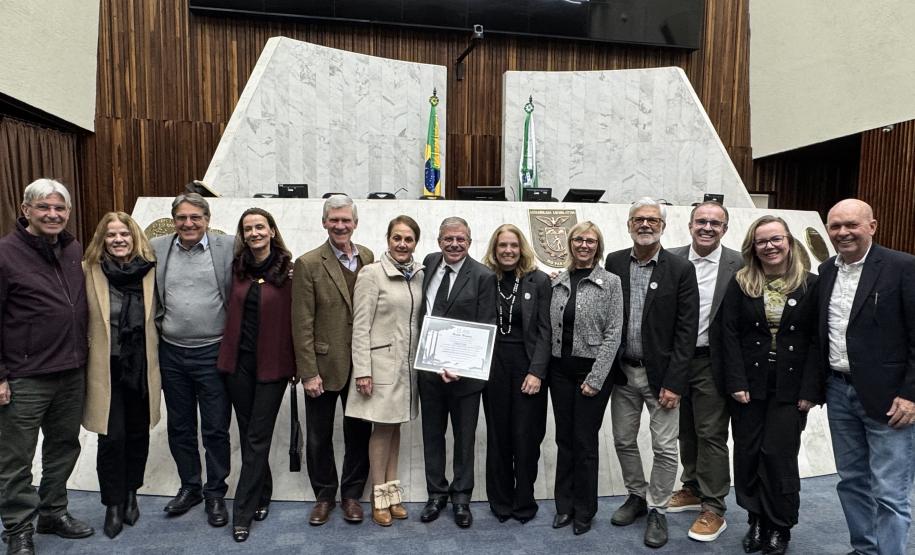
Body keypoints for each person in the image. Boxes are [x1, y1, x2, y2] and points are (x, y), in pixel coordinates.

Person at [0, 179, 94, 555]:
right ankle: (18, 528)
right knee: (15, 458)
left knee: (63, 447)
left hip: (71, 371)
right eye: (44, 207)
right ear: (26, 210)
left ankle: (53, 512)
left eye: (59, 208)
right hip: (25, 377)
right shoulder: (5, 254)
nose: (52, 214)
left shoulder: (73, 249)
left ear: (68, 212)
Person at [818, 199, 915, 555]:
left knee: (890, 491)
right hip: (839, 392)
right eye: (835, 226)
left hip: (891, 400)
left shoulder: (902, 267)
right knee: (852, 481)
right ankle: (865, 549)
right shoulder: (825, 270)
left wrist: (911, 394)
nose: (843, 232)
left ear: (872, 226)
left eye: (851, 225)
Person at [721, 215, 820, 555]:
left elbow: (817, 340)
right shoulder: (741, 282)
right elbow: (728, 334)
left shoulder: (810, 284)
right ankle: (757, 521)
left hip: (790, 388)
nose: (770, 246)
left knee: (778, 456)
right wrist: (735, 380)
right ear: (753, 247)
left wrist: (810, 390)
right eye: (762, 241)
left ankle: (779, 525)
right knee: (748, 454)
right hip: (749, 385)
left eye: (776, 239)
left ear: (789, 242)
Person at [604, 197, 699, 548]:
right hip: (623, 373)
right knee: (623, 440)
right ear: (629, 225)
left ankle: (658, 507)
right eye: (639, 219)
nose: (645, 225)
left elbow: (686, 331)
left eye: (652, 220)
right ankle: (636, 496)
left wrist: (675, 382)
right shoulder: (614, 261)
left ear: (663, 226)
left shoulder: (680, 268)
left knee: (665, 447)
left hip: (662, 378)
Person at [151, 192, 234, 527]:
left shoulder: (227, 247)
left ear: (207, 220)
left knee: (215, 428)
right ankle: (190, 487)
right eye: (182, 218)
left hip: (213, 352)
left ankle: (215, 492)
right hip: (171, 353)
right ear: (174, 220)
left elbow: (264, 256)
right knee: (180, 426)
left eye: (195, 217)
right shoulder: (156, 248)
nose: (188, 223)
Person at [292, 195, 374, 525]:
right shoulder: (308, 263)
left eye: (346, 220)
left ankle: (352, 495)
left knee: (359, 434)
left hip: (361, 365)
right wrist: (308, 372)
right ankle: (324, 496)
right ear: (324, 222)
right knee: (319, 437)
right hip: (323, 367)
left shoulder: (368, 257)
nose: (340, 226)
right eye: (334, 220)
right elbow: (301, 323)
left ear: (355, 223)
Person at [216, 208, 296, 542]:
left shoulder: (289, 271)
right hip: (238, 365)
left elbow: (299, 320)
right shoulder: (237, 268)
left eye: (260, 227)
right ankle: (262, 493)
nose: (254, 233)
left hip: (273, 366)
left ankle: (242, 513)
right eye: (248, 228)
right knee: (249, 432)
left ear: (272, 231)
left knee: (257, 437)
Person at [667, 201, 742, 542]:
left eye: (715, 223)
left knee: (710, 432)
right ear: (690, 225)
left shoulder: (739, 263)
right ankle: (693, 487)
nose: (707, 227)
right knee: (686, 429)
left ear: (724, 229)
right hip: (676, 360)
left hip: (713, 361)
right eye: (701, 221)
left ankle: (713, 506)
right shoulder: (671, 258)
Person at [82, 212, 159, 539]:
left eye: (124, 234)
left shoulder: (150, 270)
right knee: (112, 437)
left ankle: (131, 494)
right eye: (111, 235)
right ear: (102, 239)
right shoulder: (89, 271)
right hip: (105, 367)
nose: (118, 240)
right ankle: (112, 504)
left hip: (141, 366)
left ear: (134, 237)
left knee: (139, 433)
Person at [418, 217, 497, 529]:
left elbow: (486, 325)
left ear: (469, 242)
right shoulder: (428, 264)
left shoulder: (483, 276)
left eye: (460, 239)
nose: (454, 244)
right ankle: (436, 494)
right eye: (448, 239)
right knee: (432, 436)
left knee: (464, 440)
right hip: (429, 373)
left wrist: (460, 368)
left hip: (465, 378)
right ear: (439, 241)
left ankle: (461, 498)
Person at [346, 215, 424, 527]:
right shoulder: (371, 274)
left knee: (395, 428)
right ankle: (379, 496)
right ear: (388, 239)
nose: (402, 244)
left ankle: (393, 494)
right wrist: (362, 370)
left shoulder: (418, 275)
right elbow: (360, 326)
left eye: (408, 239)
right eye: (397, 238)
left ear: (415, 243)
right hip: (380, 368)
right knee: (381, 430)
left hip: (406, 367)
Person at [548, 221, 623, 535]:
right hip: (559, 373)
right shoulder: (558, 280)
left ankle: (584, 510)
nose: (583, 245)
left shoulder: (611, 282)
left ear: (598, 246)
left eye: (590, 241)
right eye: (578, 239)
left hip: (592, 373)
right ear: (570, 244)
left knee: (584, 441)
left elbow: (614, 333)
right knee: (564, 440)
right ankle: (564, 506)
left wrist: (596, 378)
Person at [481, 224, 552, 524]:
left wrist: (537, 372)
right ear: (494, 250)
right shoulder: (485, 279)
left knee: (526, 437)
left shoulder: (539, 280)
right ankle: (500, 501)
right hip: (493, 368)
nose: (508, 251)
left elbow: (547, 331)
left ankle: (524, 501)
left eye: (513, 245)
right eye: (502, 246)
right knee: (498, 437)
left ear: (521, 248)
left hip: (528, 369)